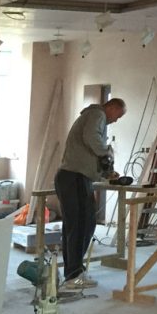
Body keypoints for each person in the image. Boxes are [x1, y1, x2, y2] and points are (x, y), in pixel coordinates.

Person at [54, 97, 126, 288]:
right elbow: (91, 138)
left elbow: (89, 148)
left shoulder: (93, 116)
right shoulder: (97, 114)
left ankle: (73, 272)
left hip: (75, 177)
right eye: (117, 115)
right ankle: (73, 275)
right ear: (111, 107)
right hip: (74, 177)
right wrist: (107, 153)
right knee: (81, 225)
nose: (116, 120)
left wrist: (106, 172)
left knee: (78, 226)